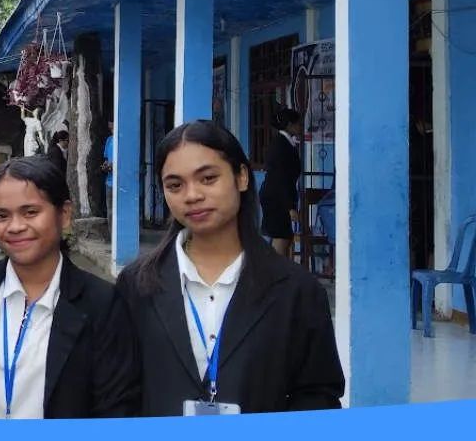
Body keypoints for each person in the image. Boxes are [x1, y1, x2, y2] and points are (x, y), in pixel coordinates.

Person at [113, 120, 344, 416]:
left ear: (242, 177)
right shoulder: (136, 285)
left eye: (208, 178)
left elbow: (317, 396)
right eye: (175, 185)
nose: (192, 195)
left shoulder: (297, 290)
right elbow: (119, 392)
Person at [0, 155, 140, 419]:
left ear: (64, 214)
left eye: (30, 212)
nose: (16, 226)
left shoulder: (101, 304)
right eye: (1, 215)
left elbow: (115, 409)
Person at [259, 108, 303, 258]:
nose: (300, 127)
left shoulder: (284, 143)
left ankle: (275, 273)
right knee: (281, 236)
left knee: (282, 236)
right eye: (298, 124)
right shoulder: (282, 145)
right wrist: (290, 206)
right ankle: (276, 275)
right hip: (277, 197)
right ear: (290, 125)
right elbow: (282, 178)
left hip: (275, 195)